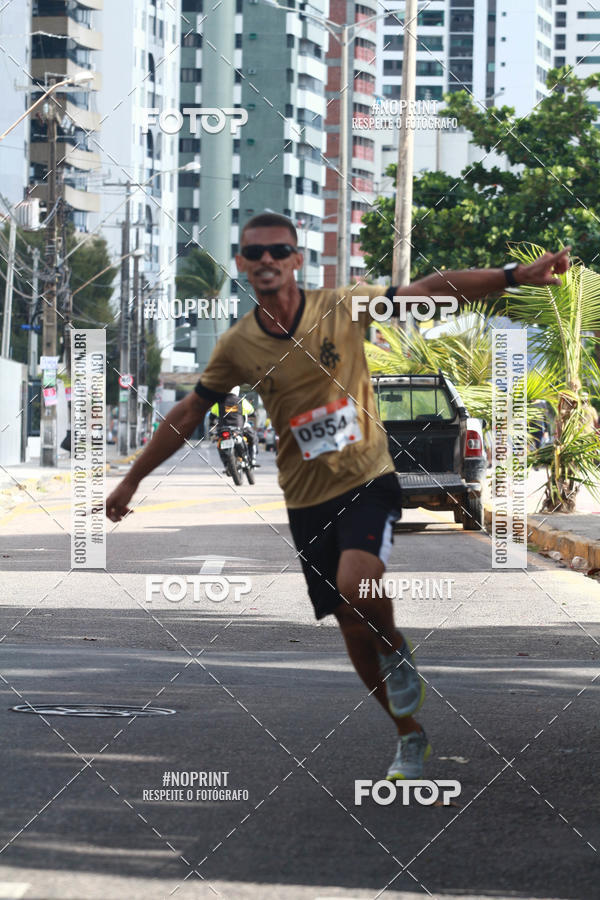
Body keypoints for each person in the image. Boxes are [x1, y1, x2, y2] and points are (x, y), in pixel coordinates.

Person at [107, 213, 570, 780]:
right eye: (255, 253)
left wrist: (515, 275)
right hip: (306, 500)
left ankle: (395, 644)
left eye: (279, 250)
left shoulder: (342, 306)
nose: (267, 260)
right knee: (350, 625)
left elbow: (429, 290)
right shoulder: (237, 346)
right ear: (243, 266)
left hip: (366, 477)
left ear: (296, 259)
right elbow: (187, 412)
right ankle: (408, 734)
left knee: (358, 586)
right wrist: (132, 479)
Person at [209, 386, 259, 467]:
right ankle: (252, 459)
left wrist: (212, 424)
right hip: (239, 429)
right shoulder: (242, 401)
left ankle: (226, 464)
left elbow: (212, 416)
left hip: (223, 429)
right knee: (253, 437)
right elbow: (252, 412)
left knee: (219, 443)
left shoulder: (218, 402)